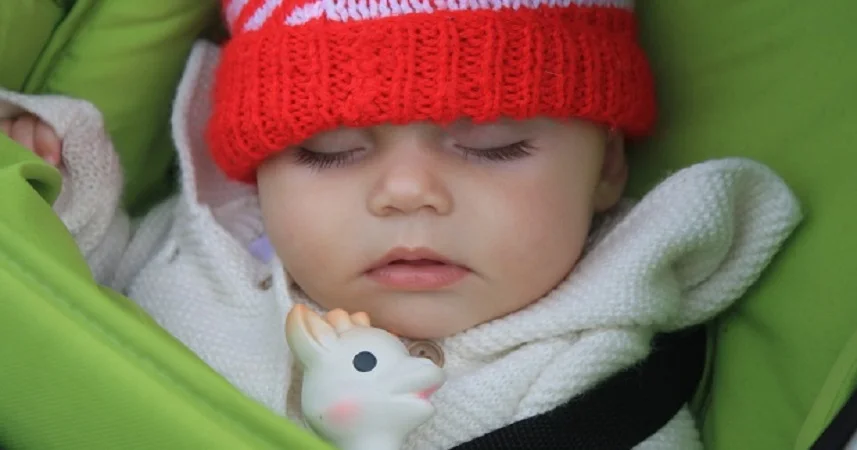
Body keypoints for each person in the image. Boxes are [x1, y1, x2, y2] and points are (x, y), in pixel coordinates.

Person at [0, 0, 802, 447]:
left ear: (608, 168)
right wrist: (58, 177)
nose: (409, 193)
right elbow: (77, 299)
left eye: (493, 145)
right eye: (328, 150)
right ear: (256, 175)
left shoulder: (595, 367)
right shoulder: (207, 250)